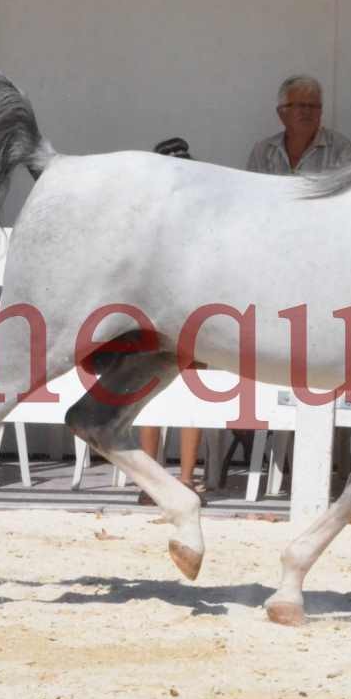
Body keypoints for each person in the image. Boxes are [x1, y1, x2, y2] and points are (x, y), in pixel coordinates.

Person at [137, 137, 208, 502]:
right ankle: (152, 476)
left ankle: (186, 477)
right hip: (156, 312)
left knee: (190, 390)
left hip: (193, 314)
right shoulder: (144, 214)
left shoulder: (204, 212)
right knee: (146, 390)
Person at [245, 74, 351, 175]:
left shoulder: (340, 149)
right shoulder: (262, 152)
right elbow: (251, 193)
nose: (307, 112)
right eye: (300, 106)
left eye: (313, 106)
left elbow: (350, 195)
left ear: (320, 112)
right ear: (282, 113)